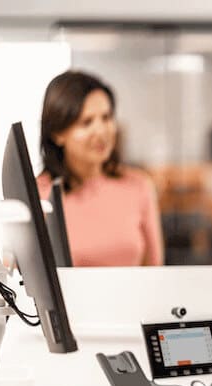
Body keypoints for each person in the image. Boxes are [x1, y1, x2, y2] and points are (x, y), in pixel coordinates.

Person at [37, 70, 164, 267]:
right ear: (57, 133)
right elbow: (20, 276)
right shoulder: (38, 194)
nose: (101, 131)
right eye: (86, 122)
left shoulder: (138, 186)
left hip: (134, 298)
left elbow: (155, 270)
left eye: (106, 118)